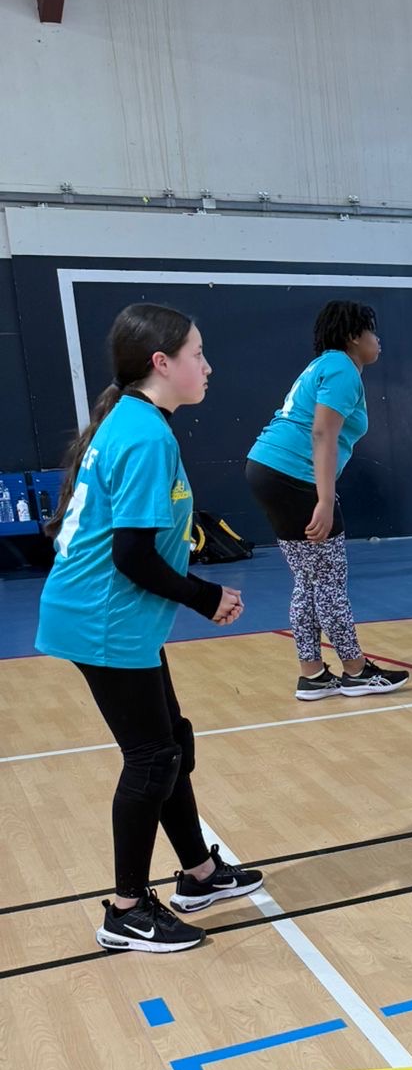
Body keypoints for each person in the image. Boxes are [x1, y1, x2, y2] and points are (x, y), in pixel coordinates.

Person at [35, 305, 264, 954]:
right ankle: (127, 910)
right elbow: (131, 554)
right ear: (161, 363)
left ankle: (200, 874)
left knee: (171, 742)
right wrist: (205, 596)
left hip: (116, 615)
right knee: (153, 757)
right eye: (198, 353)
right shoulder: (144, 435)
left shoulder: (139, 421)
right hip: (102, 616)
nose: (208, 366)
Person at [244, 301, 408, 701]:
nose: (377, 339)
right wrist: (324, 498)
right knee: (329, 581)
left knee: (308, 580)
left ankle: (313, 674)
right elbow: (322, 433)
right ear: (353, 337)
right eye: (371, 331)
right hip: (293, 475)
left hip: (266, 468)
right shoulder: (342, 369)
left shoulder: (323, 366)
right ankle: (356, 671)